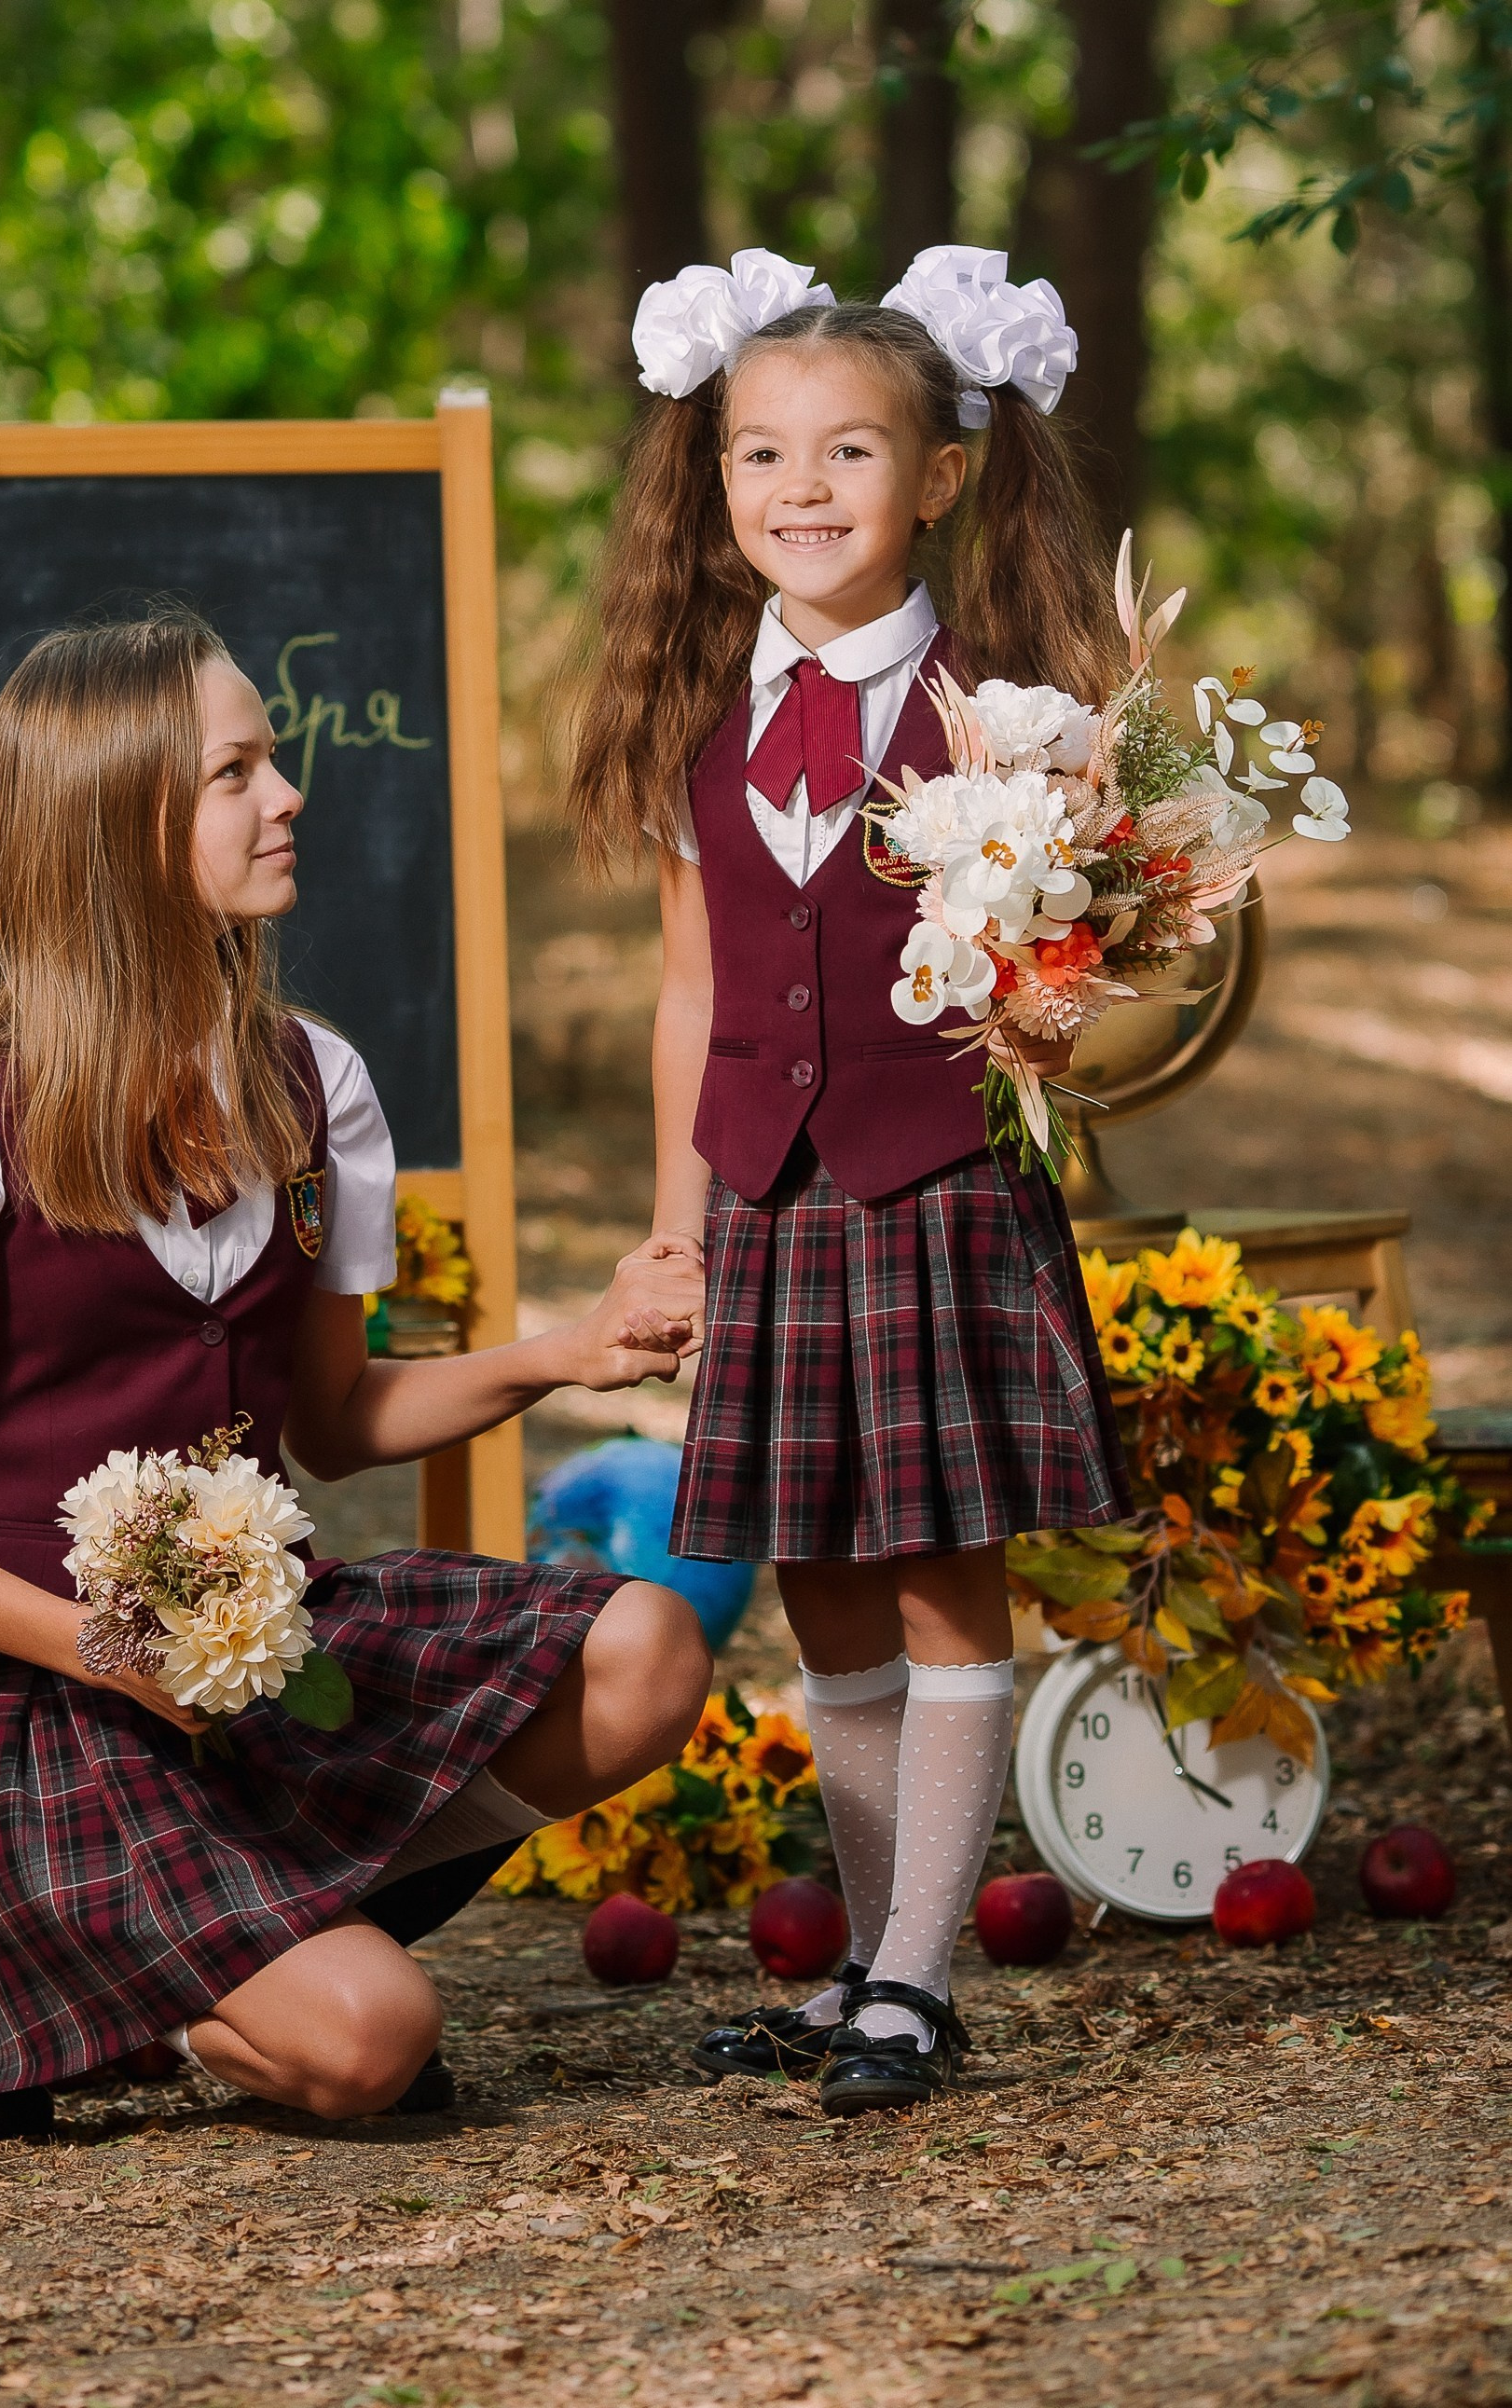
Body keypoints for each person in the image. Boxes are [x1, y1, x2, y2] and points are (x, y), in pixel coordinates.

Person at [0, 607, 709, 2148]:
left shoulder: (311, 1080)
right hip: (25, 1696)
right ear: (119, 822)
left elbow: (334, 1426)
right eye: (237, 772)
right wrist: (99, 1649)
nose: (286, 796)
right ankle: (0, 1974)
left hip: (249, 1655)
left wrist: (567, 1352)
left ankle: (225, 1943)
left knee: (648, 1651)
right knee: (373, 2042)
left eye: (269, 763)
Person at [568, 245, 1130, 2116]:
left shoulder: (1001, 719)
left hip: (929, 1187)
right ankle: (881, 1961)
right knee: (816, 1580)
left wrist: (1049, 1016)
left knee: (943, 1580)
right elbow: (691, 985)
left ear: (940, 471)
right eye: (759, 456)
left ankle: (908, 1968)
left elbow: (1071, 978)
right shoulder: (694, 713)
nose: (799, 491)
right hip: (764, 1195)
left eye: (846, 453)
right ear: (710, 479)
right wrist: (675, 1217)